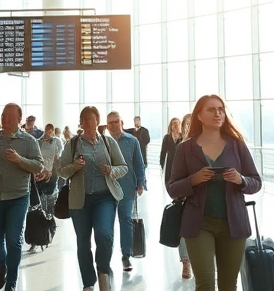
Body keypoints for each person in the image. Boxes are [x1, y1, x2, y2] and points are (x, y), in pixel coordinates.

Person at [167, 94, 262, 291]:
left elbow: (256, 182)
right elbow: (173, 188)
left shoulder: (237, 145)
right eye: (212, 109)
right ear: (199, 116)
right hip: (198, 224)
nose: (218, 113)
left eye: (220, 109)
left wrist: (241, 180)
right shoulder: (185, 148)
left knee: (228, 285)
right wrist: (194, 180)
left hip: (233, 223)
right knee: (205, 285)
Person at [57, 106, 128, 291]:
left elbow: (123, 167)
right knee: (83, 242)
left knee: (104, 235)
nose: (89, 123)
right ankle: (88, 283)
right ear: (81, 122)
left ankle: (103, 271)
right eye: (85, 120)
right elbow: (61, 172)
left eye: (92, 119)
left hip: (105, 197)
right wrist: (74, 166)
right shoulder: (72, 144)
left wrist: (111, 170)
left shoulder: (108, 142)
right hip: (80, 200)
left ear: (98, 121)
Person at [0, 104, 44, 291]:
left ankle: (11, 283)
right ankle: (2, 264)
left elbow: (39, 166)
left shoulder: (29, 141)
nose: (5, 119)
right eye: (3, 115)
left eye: (9, 116)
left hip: (18, 197)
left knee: (14, 239)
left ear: (19, 119)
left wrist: (19, 160)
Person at [106, 112, 147, 272]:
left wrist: (140, 183)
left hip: (127, 188)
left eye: (116, 121)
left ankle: (126, 256)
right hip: (107, 189)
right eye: (110, 123)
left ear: (122, 122)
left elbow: (138, 162)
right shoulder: (103, 142)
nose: (113, 125)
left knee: (126, 221)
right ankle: (106, 257)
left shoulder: (132, 141)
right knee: (106, 224)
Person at [159, 116, 191, 278]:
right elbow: (164, 154)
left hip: (201, 195)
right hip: (182, 191)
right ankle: (186, 262)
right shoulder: (181, 145)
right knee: (184, 225)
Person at [34, 122, 63, 222]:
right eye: (47, 131)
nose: (49, 133)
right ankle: (42, 219)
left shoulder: (56, 141)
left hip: (52, 174)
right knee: (40, 196)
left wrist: (51, 172)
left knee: (50, 195)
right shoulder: (38, 142)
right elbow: (36, 157)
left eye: (51, 131)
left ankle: (49, 220)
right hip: (40, 172)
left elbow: (59, 157)